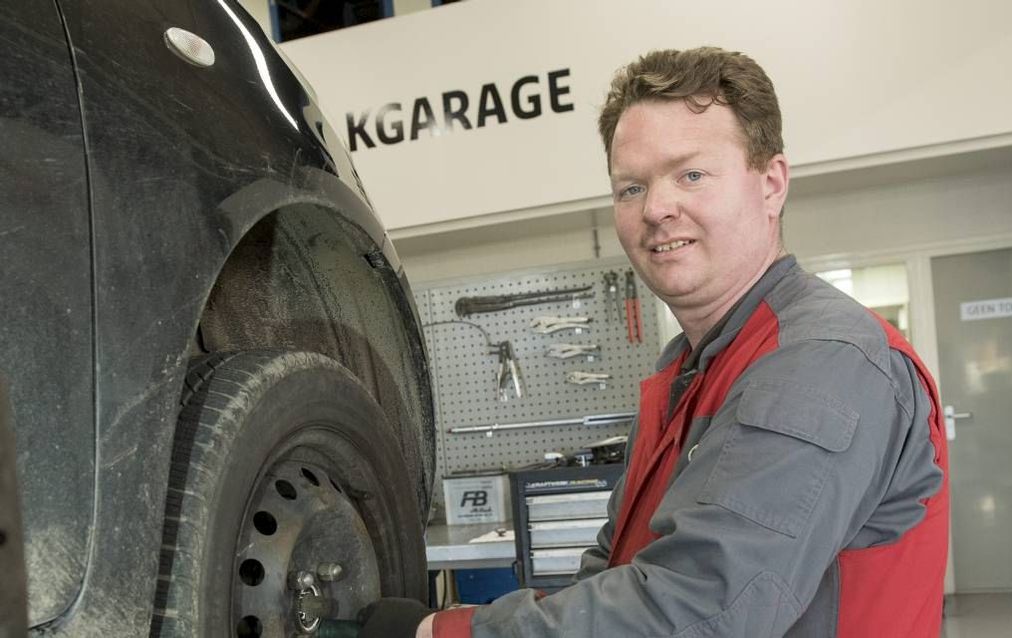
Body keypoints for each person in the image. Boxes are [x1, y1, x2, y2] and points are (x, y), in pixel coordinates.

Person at [358, 46, 950, 638]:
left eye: (691, 174)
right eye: (630, 188)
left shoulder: (822, 363)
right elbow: (616, 570)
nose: (658, 209)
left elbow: (697, 609)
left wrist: (443, 633)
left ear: (771, 184)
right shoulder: (686, 371)